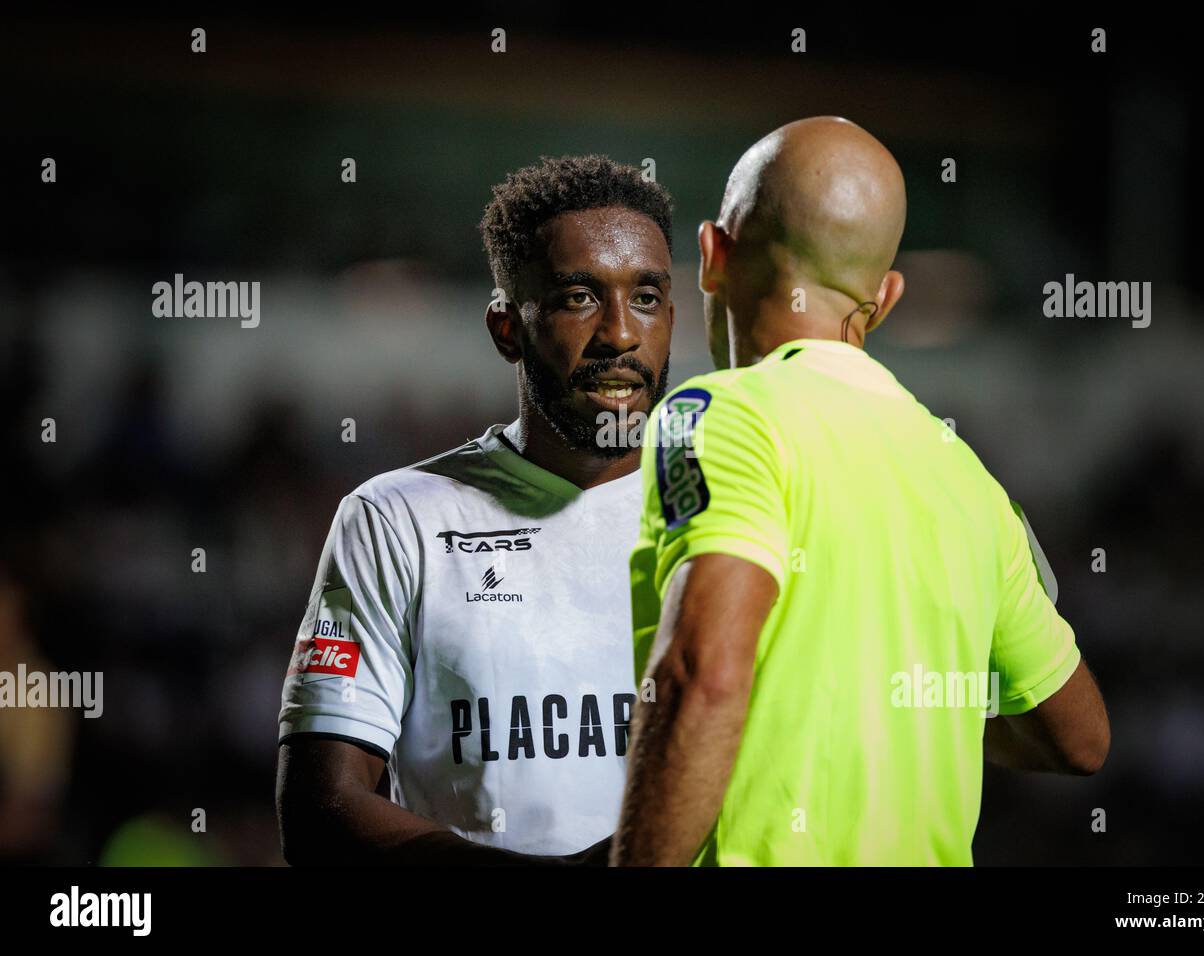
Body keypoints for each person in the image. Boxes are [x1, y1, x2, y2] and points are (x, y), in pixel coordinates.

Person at [614, 117, 1109, 866]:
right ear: (885, 298)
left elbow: (703, 675)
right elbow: (1081, 737)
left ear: (713, 254)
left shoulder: (712, 415)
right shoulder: (967, 476)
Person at [277, 155, 675, 864]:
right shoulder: (396, 519)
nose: (620, 333)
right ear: (506, 330)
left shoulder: (722, 518)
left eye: (645, 296)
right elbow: (321, 808)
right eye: (579, 296)